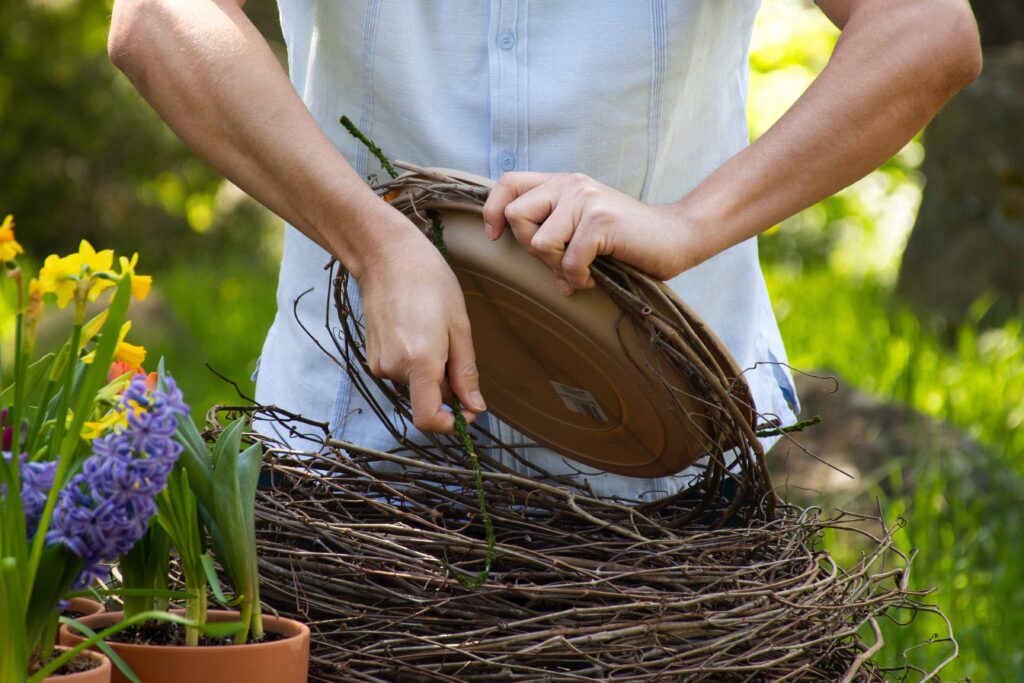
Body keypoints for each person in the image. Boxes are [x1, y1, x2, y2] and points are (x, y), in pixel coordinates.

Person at [107, 0, 981, 500]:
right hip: (353, 450)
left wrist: (688, 223)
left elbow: (927, 28)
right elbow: (156, 16)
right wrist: (373, 240)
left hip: (669, 464)